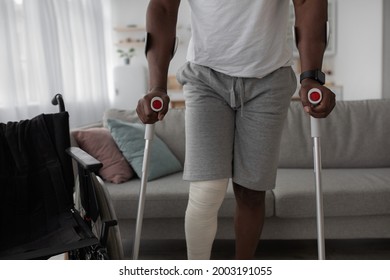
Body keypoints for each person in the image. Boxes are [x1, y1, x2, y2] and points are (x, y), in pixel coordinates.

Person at [136, 0, 336, 260]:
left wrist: (311, 77)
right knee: (206, 189)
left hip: (269, 77)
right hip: (205, 76)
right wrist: (157, 86)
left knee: (251, 193)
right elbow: (163, 7)